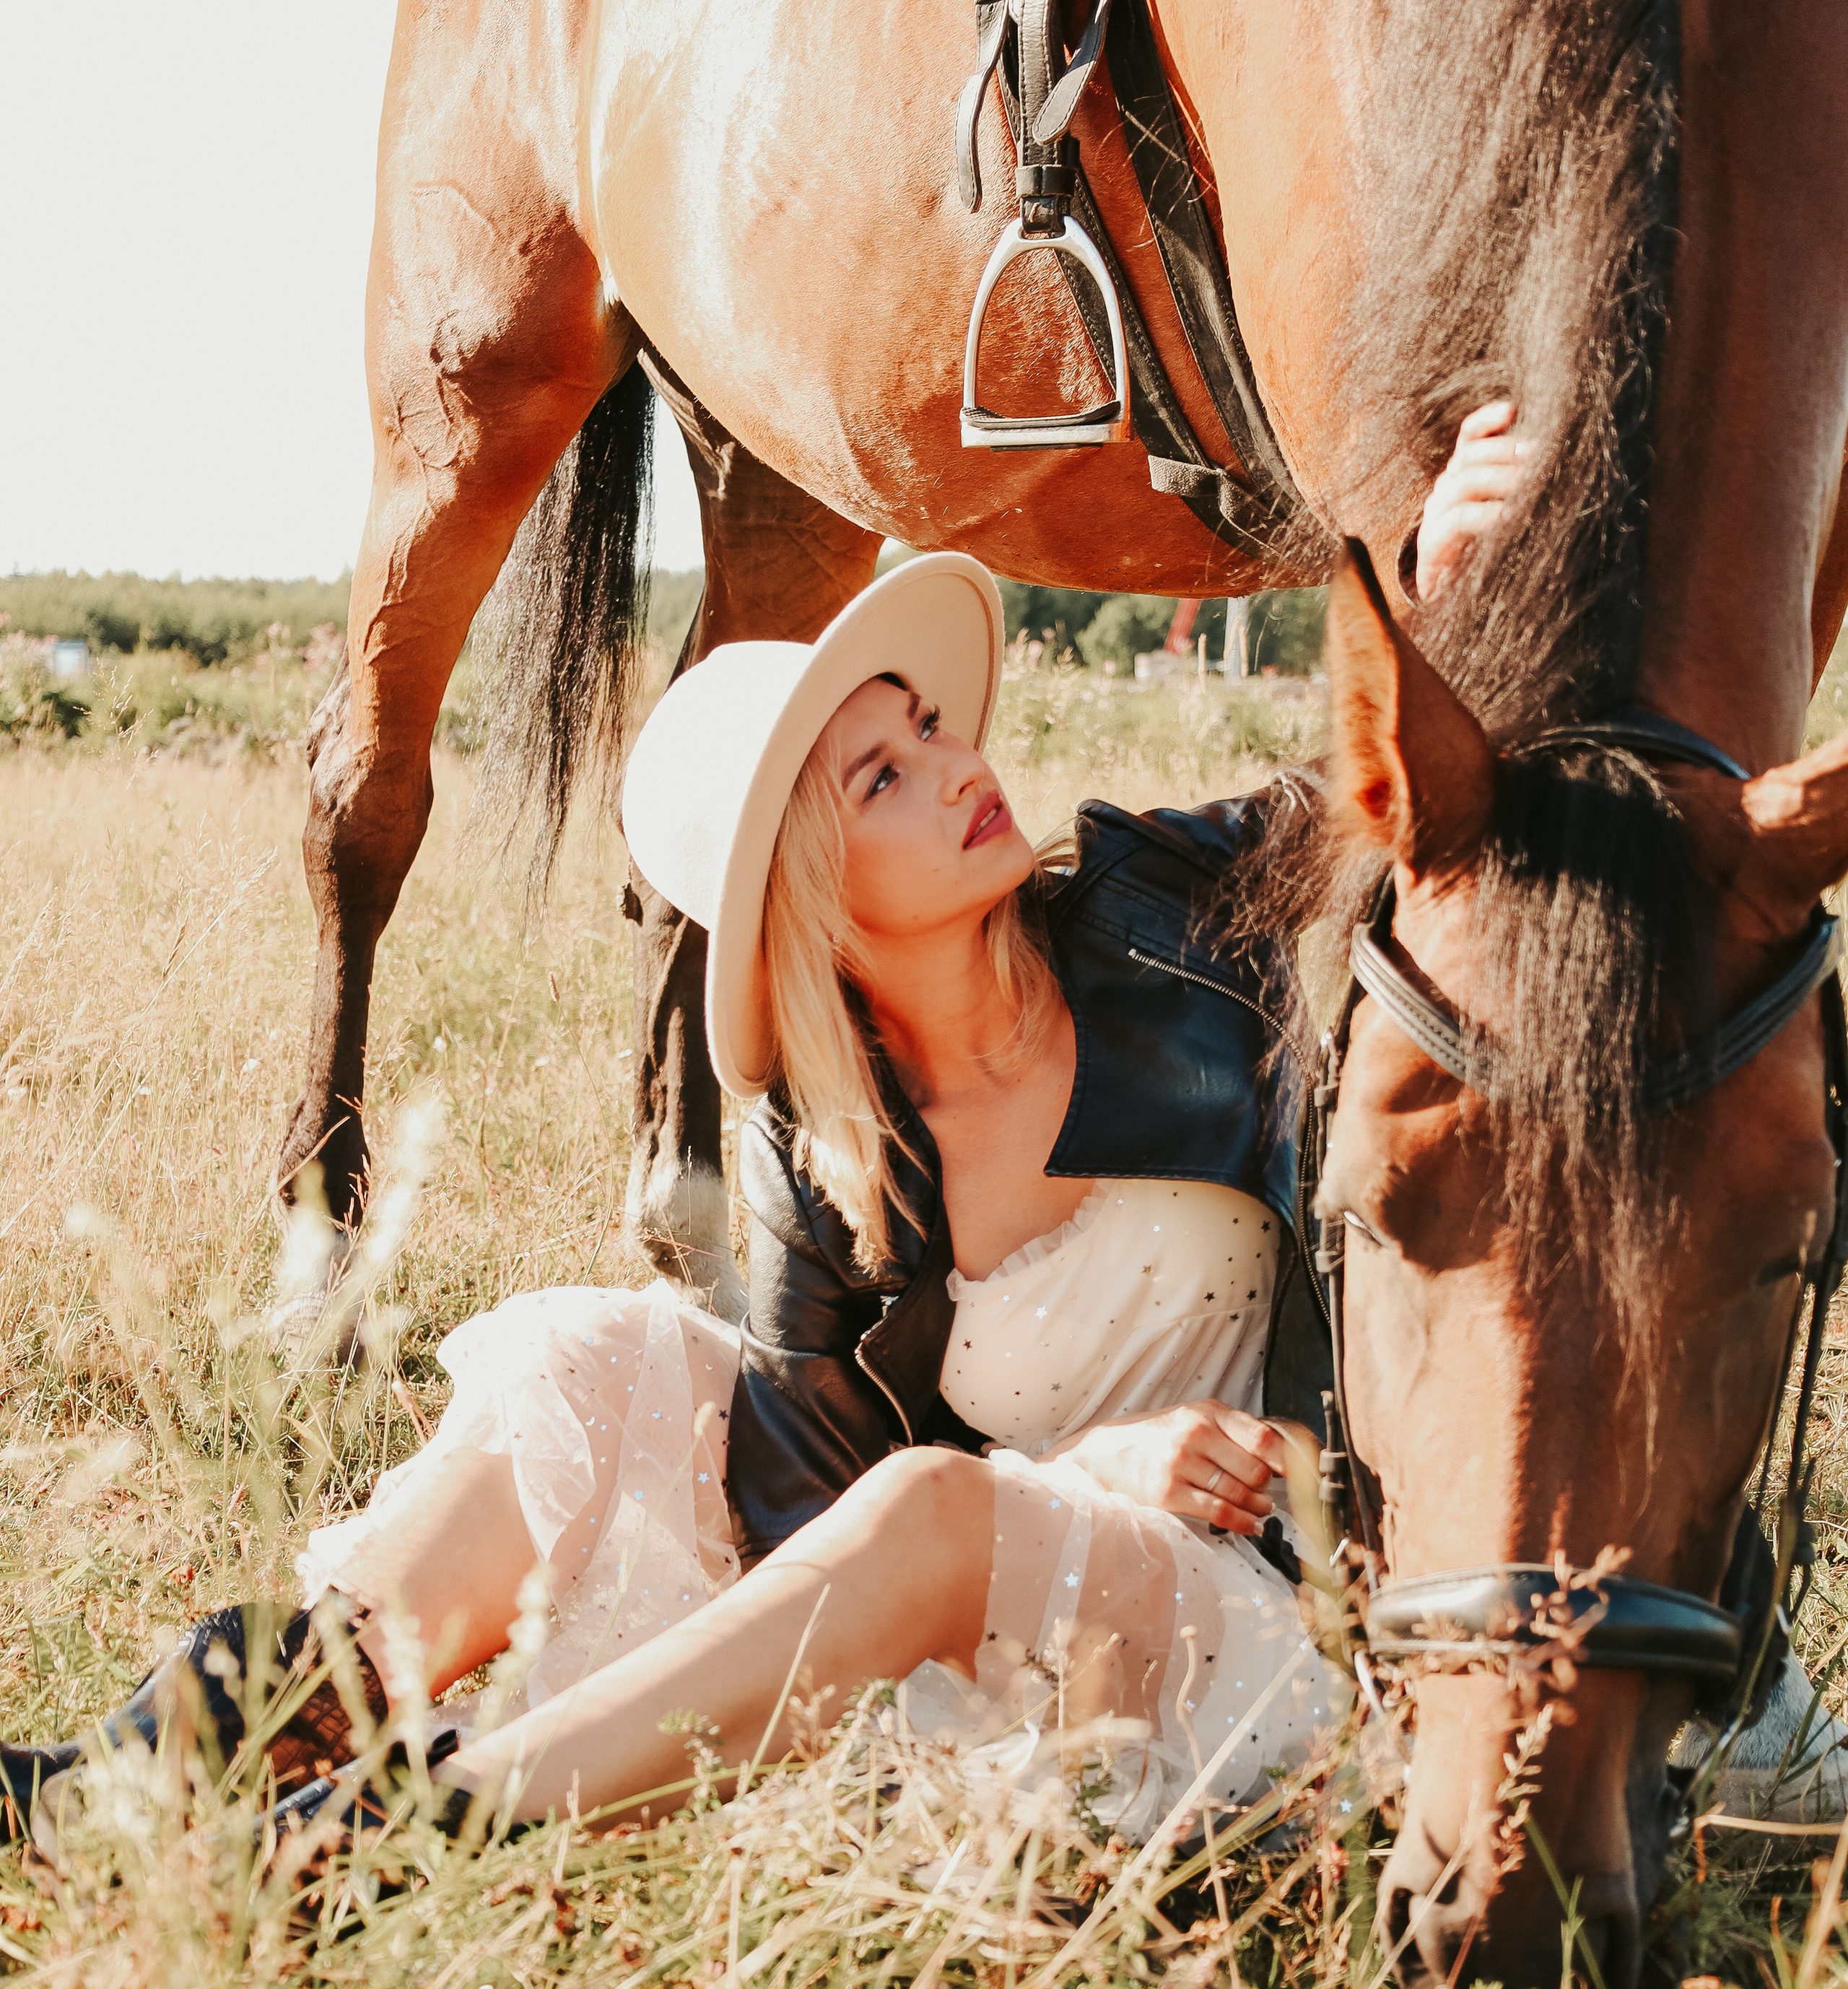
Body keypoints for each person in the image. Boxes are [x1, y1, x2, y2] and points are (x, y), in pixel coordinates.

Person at [3, 414, 1529, 1854]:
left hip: (1294, 1602)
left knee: (929, 1508)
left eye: (929, 728)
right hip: (1034, 1589)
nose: (961, 767)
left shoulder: (1170, 904)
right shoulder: (825, 1150)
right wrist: (1107, 1466)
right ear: (810, 886)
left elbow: (1410, 789)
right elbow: (807, 1512)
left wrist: (1456, 590)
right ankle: (195, 1753)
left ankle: (411, 1833)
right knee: (597, 1355)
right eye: (885, 775)